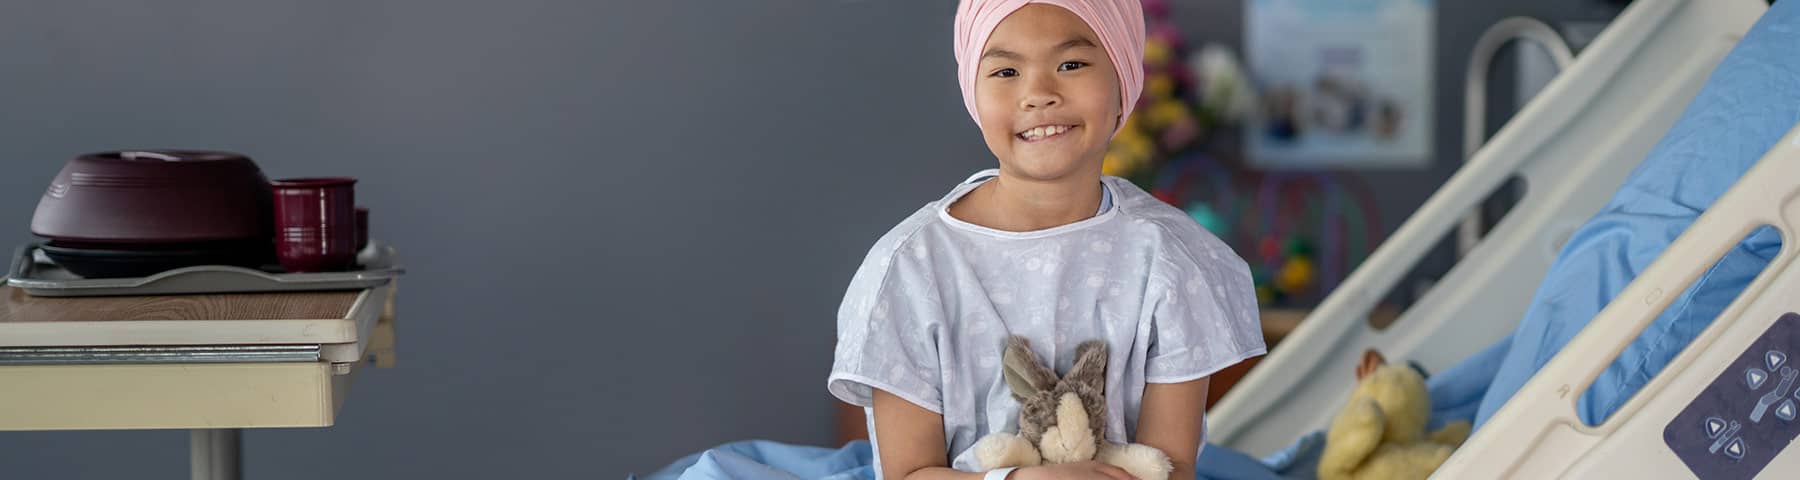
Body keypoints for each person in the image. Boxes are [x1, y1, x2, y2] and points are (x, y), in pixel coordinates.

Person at [826, 2, 1265, 479]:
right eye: (1006, 70)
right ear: (973, 91)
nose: (1038, 94)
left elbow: (1170, 467)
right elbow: (908, 473)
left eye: (1071, 64)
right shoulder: (910, 270)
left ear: (1124, 80)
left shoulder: (1174, 259)